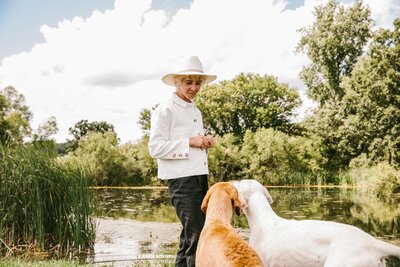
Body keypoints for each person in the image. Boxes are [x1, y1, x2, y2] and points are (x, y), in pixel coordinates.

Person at [148, 56, 217, 267]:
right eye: (189, 82)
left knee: (192, 233)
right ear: (178, 82)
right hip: (180, 180)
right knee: (196, 232)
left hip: (199, 176)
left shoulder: (195, 109)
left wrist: (204, 142)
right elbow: (155, 148)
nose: (194, 87)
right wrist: (190, 142)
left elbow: (192, 144)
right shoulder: (165, 109)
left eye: (198, 83)